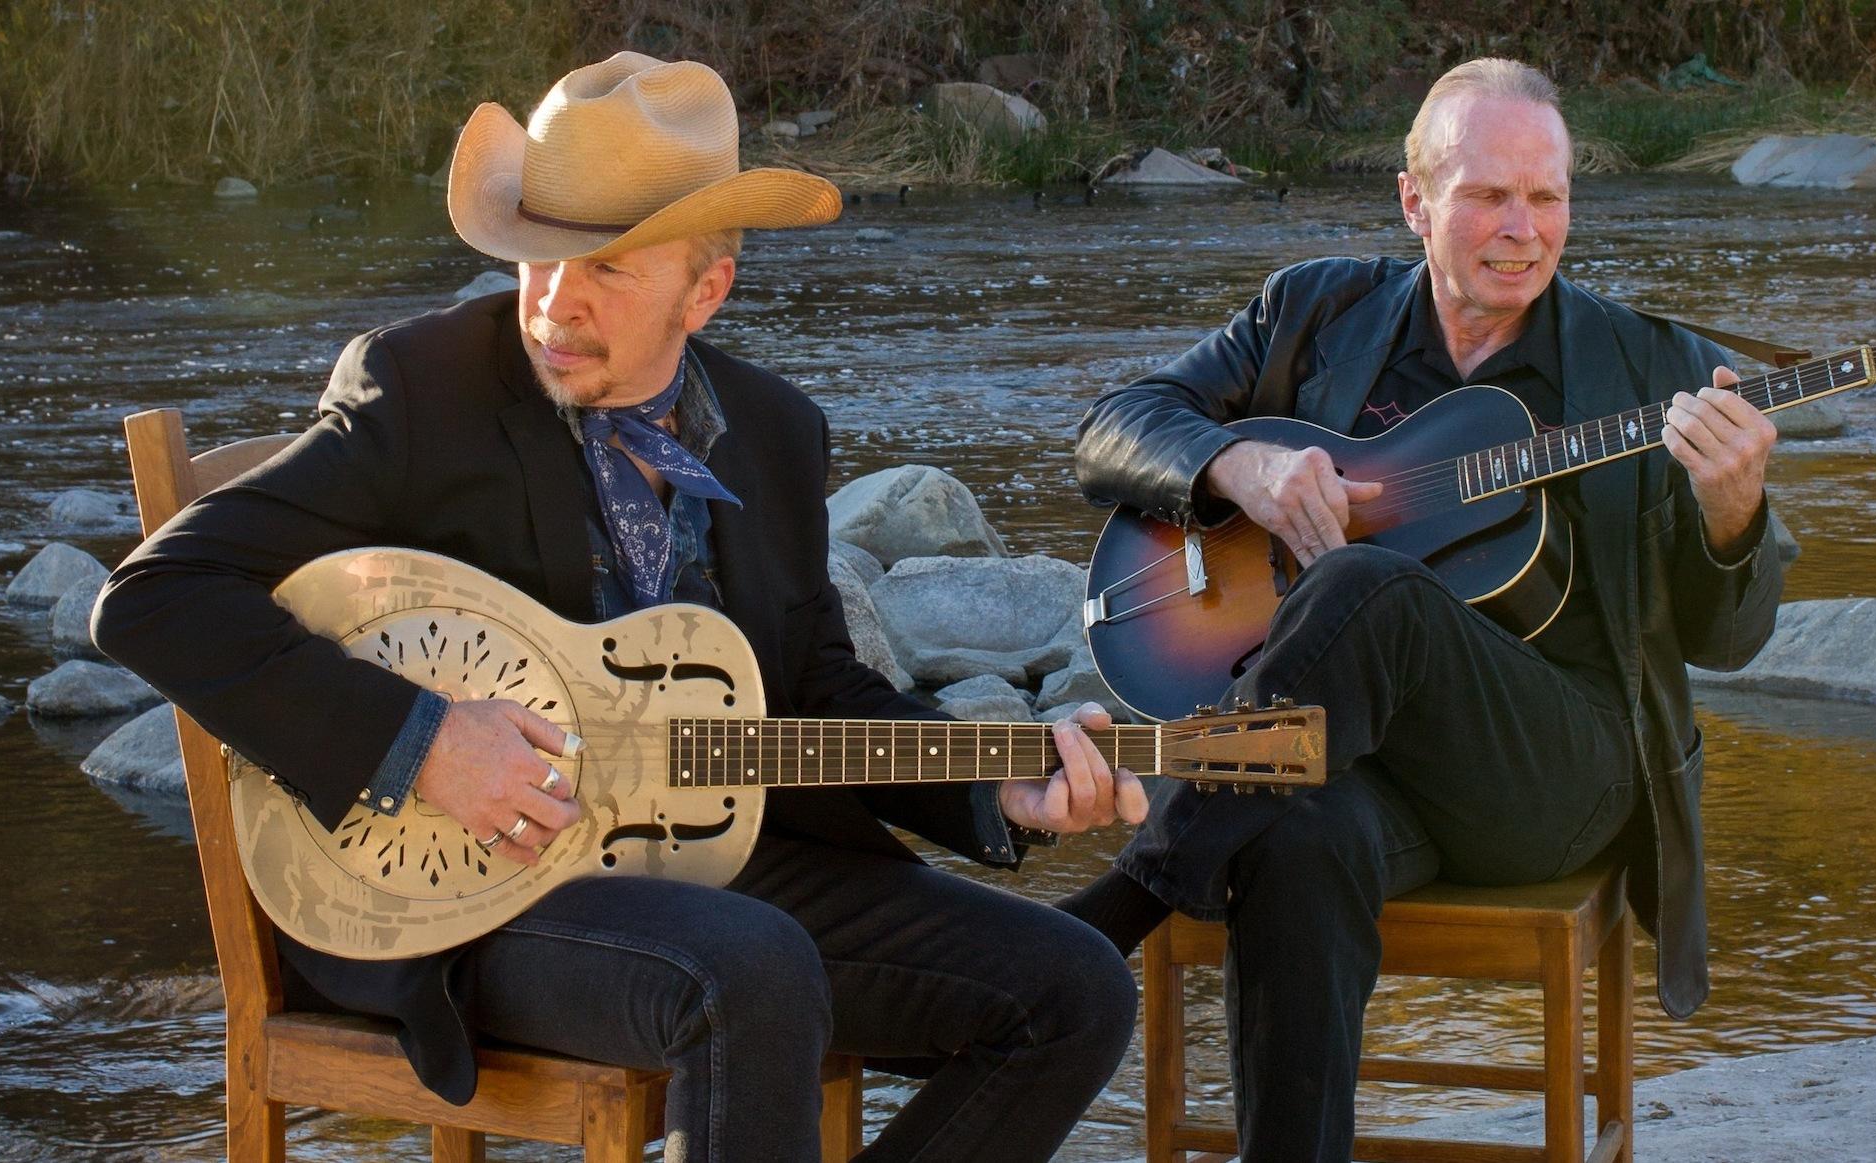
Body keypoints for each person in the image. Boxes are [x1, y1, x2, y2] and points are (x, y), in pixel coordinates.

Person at [94, 53, 1148, 1163]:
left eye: (603, 267)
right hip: (466, 893)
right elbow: (157, 597)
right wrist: (423, 738)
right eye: (536, 258)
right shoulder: (421, 388)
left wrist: (995, 781)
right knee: (747, 967)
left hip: (711, 863)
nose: (554, 301)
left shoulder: (774, 429)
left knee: (1070, 987)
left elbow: (818, 688)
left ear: (706, 289)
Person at [1061, 57, 1785, 1161]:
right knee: (1296, 835)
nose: (1521, 229)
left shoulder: (1652, 367)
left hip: (1555, 764)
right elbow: (1113, 426)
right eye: (1487, 194)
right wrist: (1234, 462)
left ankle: (1131, 897)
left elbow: (1729, 640)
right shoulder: (1313, 311)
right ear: (1414, 201)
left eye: (1545, 198)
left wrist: (1732, 514)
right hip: (1349, 762)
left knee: (1366, 583)